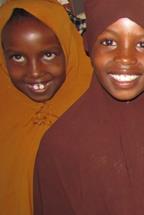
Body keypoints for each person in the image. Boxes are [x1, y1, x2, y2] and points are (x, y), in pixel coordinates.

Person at [33, 0, 144, 214]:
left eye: (143, 44)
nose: (125, 58)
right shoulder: (60, 146)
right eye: (108, 42)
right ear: (89, 44)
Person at [0, 1, 91, 214]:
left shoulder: (95, 111)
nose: (34, 72)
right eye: (18, 57)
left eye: (48, 55)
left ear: (68, 50)